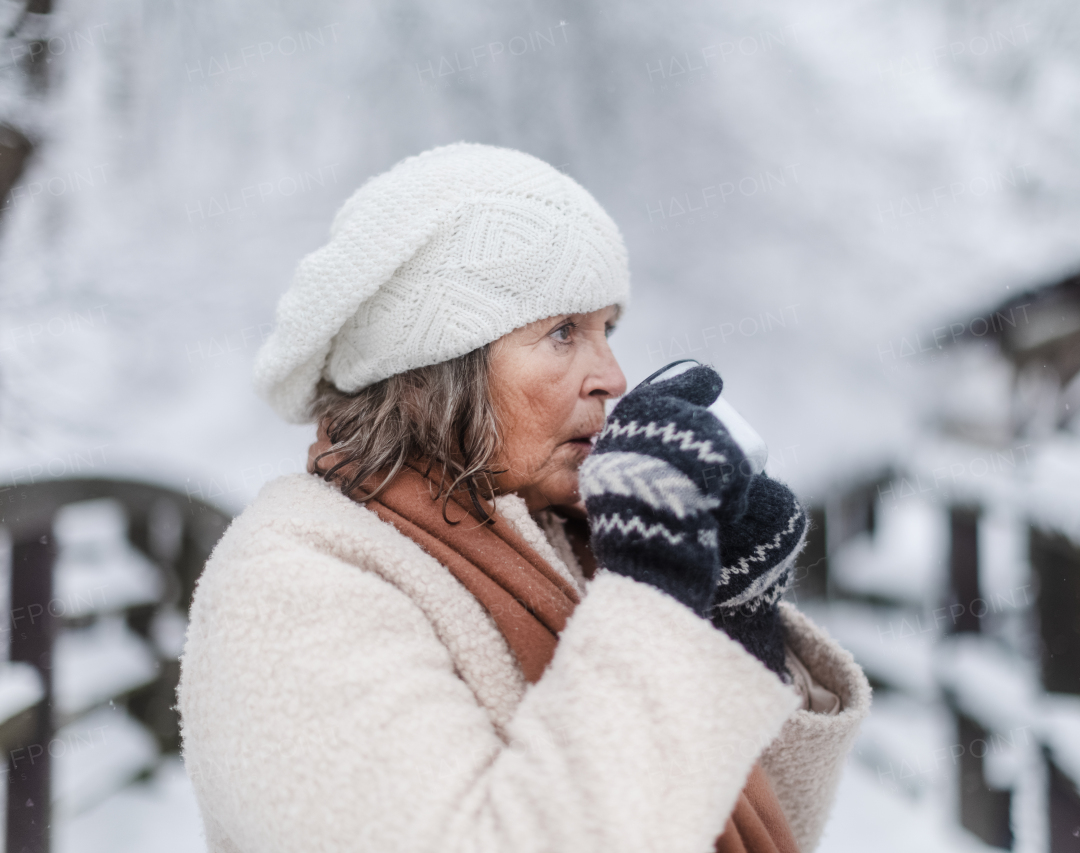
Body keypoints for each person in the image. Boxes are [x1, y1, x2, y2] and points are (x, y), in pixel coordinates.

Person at [176, 142, 871, 853]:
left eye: (607, 330)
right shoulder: (292, 586)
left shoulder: (564, 542)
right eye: (563, 331)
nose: (612, 375)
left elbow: (710, 828)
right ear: (434, 365)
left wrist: (733, 622)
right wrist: (654, 600)